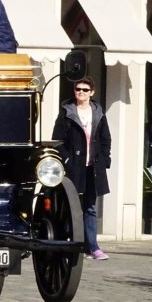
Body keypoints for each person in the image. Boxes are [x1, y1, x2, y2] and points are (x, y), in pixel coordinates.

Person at [52, 77, 112, 260]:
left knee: (90, 207)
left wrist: (104, 159)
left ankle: (92, 247)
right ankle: (72, 243)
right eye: (78, 89)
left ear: (91, 93)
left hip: (92, 166)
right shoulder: (67, 112)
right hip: (74, 166)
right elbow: (58, 139)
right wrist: (67, 158)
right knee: (72, 205)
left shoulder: (98, 113)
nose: (81, 92)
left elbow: (105, 139)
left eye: (85, 90)